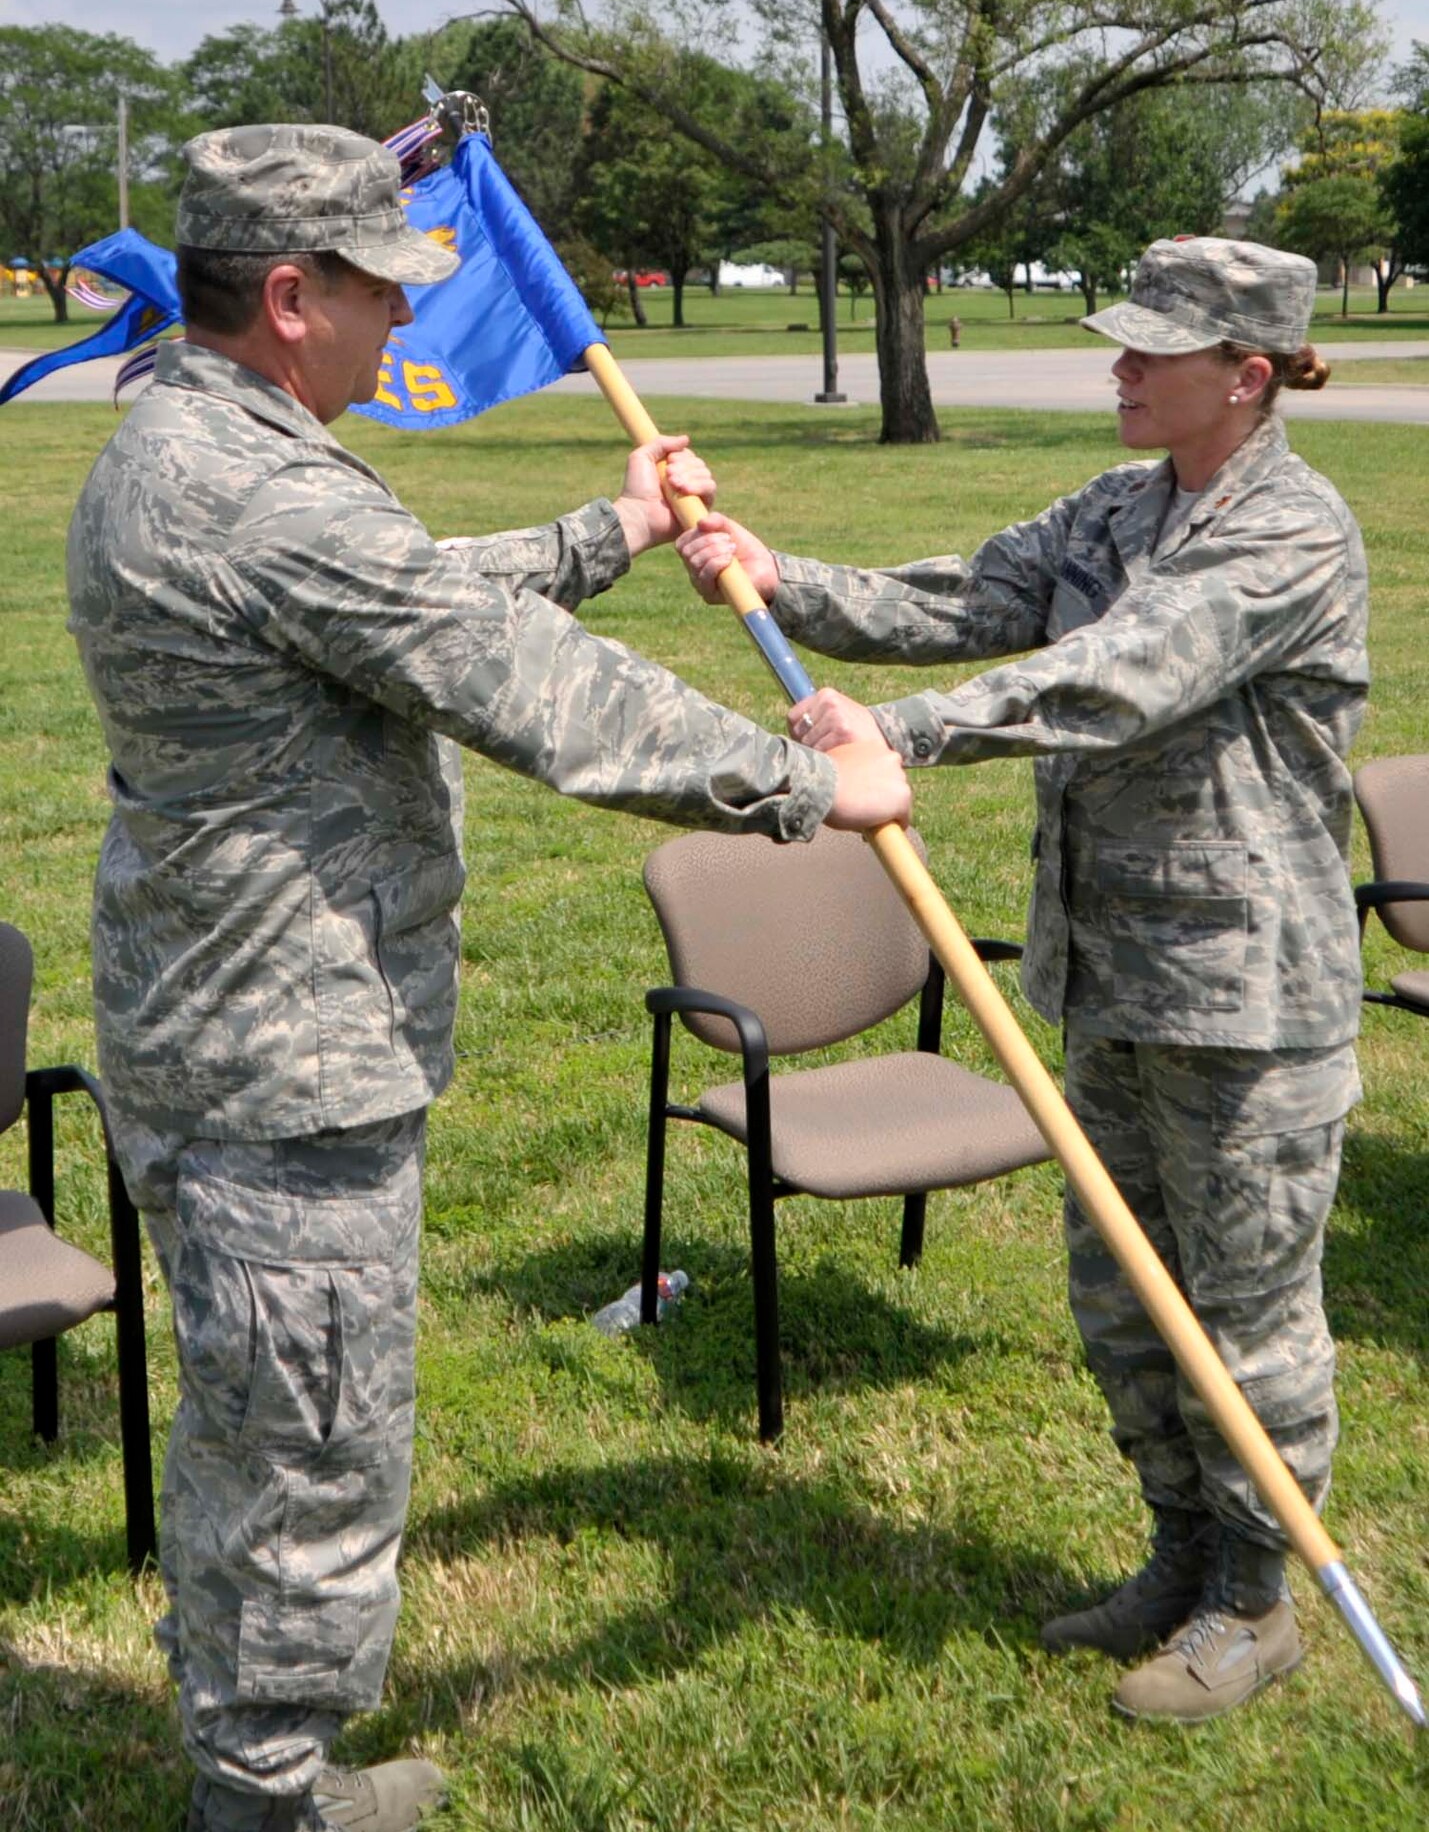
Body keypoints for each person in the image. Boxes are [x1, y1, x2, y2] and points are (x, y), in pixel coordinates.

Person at [65, 122, 910, 1832]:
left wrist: (601, 530)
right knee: (307, 1447)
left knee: (254, 1426)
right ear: (292, 298)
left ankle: (256, 1756)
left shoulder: (200, 443)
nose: (401, 325)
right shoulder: (255, 486)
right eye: (382, 293)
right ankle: (273, 1796)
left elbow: (400, 599)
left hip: (227, 1027)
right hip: (274, 1063)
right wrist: (815, 786)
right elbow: (521, 685)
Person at [677, 237, 1367, 1724]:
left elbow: (1121, 670)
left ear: (1243, 377)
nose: (1115, 366)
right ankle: (1175, 1556)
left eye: (1150, 349)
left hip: (1243, 996)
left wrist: (902, 739)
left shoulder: (1289, 533)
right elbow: (969, 599)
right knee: (1124, 1297)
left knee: (1240, 1310)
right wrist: (781, 578)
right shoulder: (1117, 507)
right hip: (1107, 973)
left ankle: (1255, 1600)